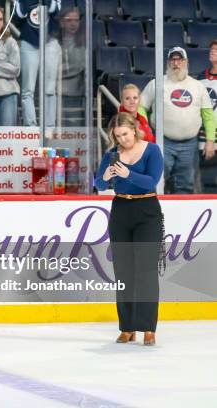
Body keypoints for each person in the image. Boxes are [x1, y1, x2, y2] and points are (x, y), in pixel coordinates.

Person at [94, 112, 164, 346]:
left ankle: (148, 328)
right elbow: (99, 184)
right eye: (117, 136)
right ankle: (127, 327)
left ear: (133, 129)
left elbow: (152, 181)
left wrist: (128, 174)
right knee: (123, 272)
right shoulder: (112, 155)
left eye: (124, 134)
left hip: (147, 210)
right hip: (121, 210)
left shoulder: (152, 150)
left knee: (145, 270)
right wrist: (104, 177)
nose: (122, 139)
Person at [140, 47, 216, 194]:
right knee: (157, 181)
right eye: (173, 60)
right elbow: (141, 108)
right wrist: (145, 129)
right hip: (163, 142)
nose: (176, 63)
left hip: (190, 144)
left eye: (179, 59)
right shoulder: (156, 83)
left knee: (185, 184)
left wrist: (210, 141)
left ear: (186, 62)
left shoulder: (198, 86)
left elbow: (208, 117)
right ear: (168, 63)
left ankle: (182, 216)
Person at [15, 0, 61, 127]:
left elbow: (57, 12)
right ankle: (31, 127)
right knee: (27, 89)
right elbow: (16, 17)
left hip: (50, 41)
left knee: (50, 89)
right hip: (29, 42)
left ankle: (49, 126)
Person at [197, 40, 217, 190]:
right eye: (211, 49)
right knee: (203, 181)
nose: (212, 51)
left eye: (216, 50)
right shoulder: (199, 78)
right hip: (201, 137)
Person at [56, 7, 85, 99]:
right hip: (57, 90)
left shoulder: (84, 44)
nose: (73, 24)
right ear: (62, 23)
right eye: (69, 20)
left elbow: (81, 67)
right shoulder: (53, 43)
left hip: (78, 91)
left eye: (76, 20)